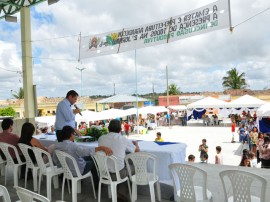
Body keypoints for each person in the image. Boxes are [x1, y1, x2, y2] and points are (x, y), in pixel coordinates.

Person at [98, 119, 140, 202]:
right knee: (135, 168)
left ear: (108, 128)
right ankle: (122, 192)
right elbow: (137, 151)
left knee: (121, 165)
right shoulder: (122, 139)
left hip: (104, 172)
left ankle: (119, 190)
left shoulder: (101, 138)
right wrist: (136, 144)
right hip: (118, 174)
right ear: (120, 130)